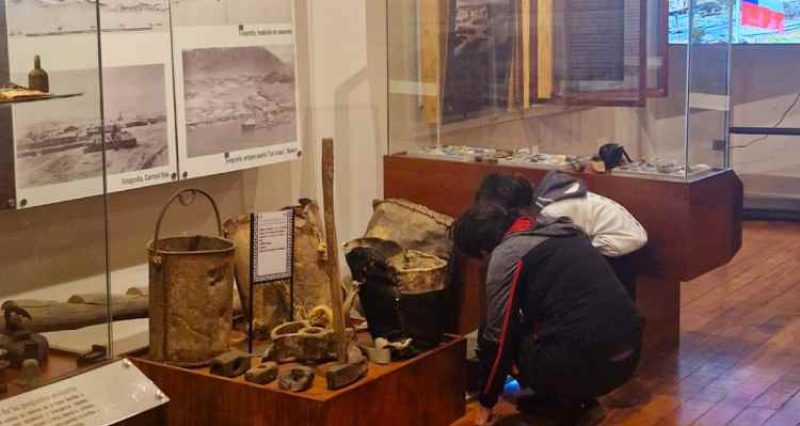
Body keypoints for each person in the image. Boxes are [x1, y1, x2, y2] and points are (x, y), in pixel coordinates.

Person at [453, 203, 643, 426]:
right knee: (547, 324)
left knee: (503, 333)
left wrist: (486, 402)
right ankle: (564, 399)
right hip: (629, 355)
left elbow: (497, 338)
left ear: (483, 252)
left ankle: (568, 402)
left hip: (588, 365)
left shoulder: (507, 253)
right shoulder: (561, 228)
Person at [475, 171, 647, 298]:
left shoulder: (551, 212)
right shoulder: (545, 198)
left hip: (617, 244)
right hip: (620, 236)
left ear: (513, 207)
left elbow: (561, 250)